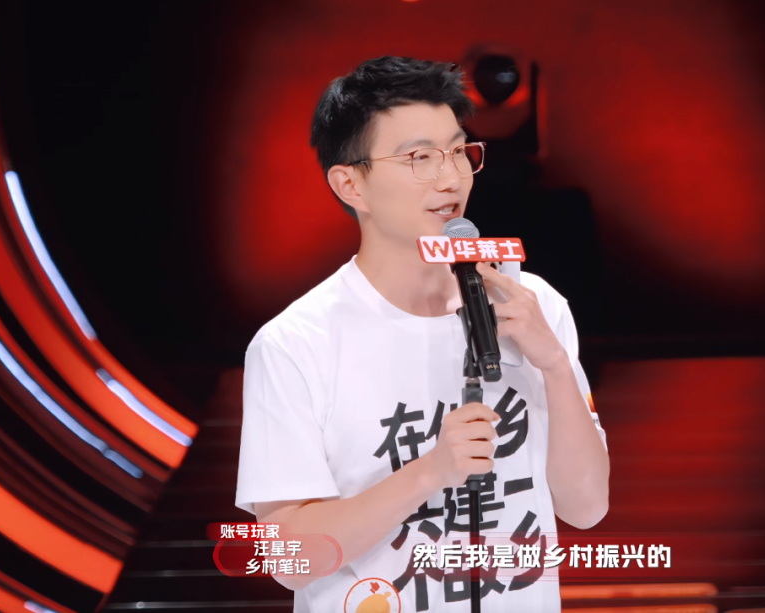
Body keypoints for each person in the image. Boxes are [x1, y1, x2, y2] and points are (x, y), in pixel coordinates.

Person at [235, 55, 609, 612]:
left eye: (458, 151)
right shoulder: (296, 343)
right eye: (419, 158)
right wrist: (431, 472)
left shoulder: (534, 307)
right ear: (350, 184)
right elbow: (289, 560)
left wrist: (554, 364)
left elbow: (587, 508)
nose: (450, 178)